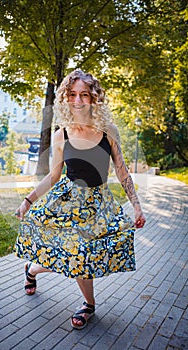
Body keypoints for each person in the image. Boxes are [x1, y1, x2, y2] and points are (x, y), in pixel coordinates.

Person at [14, 69, 146, 330]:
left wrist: (136, 204)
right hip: (70, 202)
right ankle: (88, 304)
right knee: (76, 253)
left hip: (100, 204)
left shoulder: (109, 131)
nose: (78, 100)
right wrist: (28, 201)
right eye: (72, 94)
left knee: (86, 255)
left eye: (84, 94)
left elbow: (121, 169)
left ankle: (32, 270)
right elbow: (53, 176)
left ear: (94, 98)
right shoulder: (61, 135)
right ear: (65, 98)